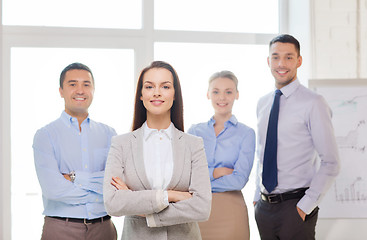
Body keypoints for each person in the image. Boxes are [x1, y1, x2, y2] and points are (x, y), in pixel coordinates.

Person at [103, 60, 212, 240]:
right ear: (141, 94)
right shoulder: (121, 144)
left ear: (175, 94)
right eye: (149, 86)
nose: (157, 92)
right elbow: (113, 203)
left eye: (165, 86)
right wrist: (171, 196)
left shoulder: (194, 145)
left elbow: (202, 207)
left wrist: (138, 205)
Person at [254, 34, 340, 240]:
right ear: (268, 61)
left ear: (299, 61)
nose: (281, 63)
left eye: (289, 57)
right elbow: (262, 153)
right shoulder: (263, 103)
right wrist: (257, 197)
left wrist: (305, 206)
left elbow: (331, 162)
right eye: (275, 57)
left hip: (296, 207)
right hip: (264, 209)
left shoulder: (314, 102)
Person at [33, 62, 117, 240]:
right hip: (60, 229)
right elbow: (53, 190)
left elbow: (116, 182)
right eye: (73, 84)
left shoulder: (109, 134)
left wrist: (74, 177)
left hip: (104, 229)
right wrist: (99, 193)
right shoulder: (45, 135)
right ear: (61, 91)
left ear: (93, 90)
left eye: (86, 84)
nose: (80, 90)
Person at [188, 71, 255, 240]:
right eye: (216, 91)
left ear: (237, 95)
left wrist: (201, 181)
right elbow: (186, 175)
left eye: (228, 91)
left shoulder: (246, 133)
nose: (222, 97)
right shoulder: (195, 131)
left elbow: (239, 180)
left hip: (231, 211)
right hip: (197, 211)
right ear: (208, 94)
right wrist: (217, 172)